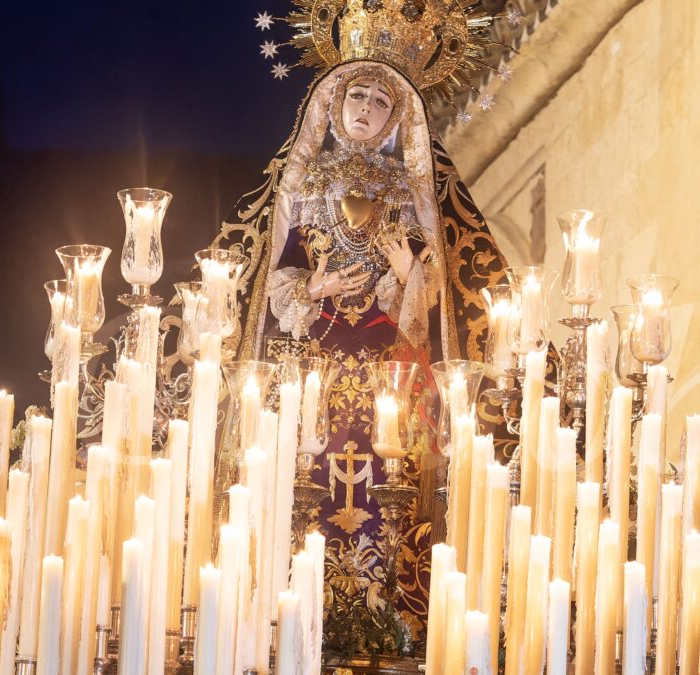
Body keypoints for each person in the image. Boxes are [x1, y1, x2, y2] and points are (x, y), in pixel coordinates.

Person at [210, 0, 512, 650]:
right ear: (335, 102)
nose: (369, 108)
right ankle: (302, 608)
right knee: (306, 490)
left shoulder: (410, 192)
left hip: (386, 379)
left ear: (398, 115)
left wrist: (408, 272)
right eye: (358, 95)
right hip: (314, 371)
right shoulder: (308, 181)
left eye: (382, 100)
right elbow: (278, 278)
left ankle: (384, 611)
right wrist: (316, 286)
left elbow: (436, 300)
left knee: (386, 493)